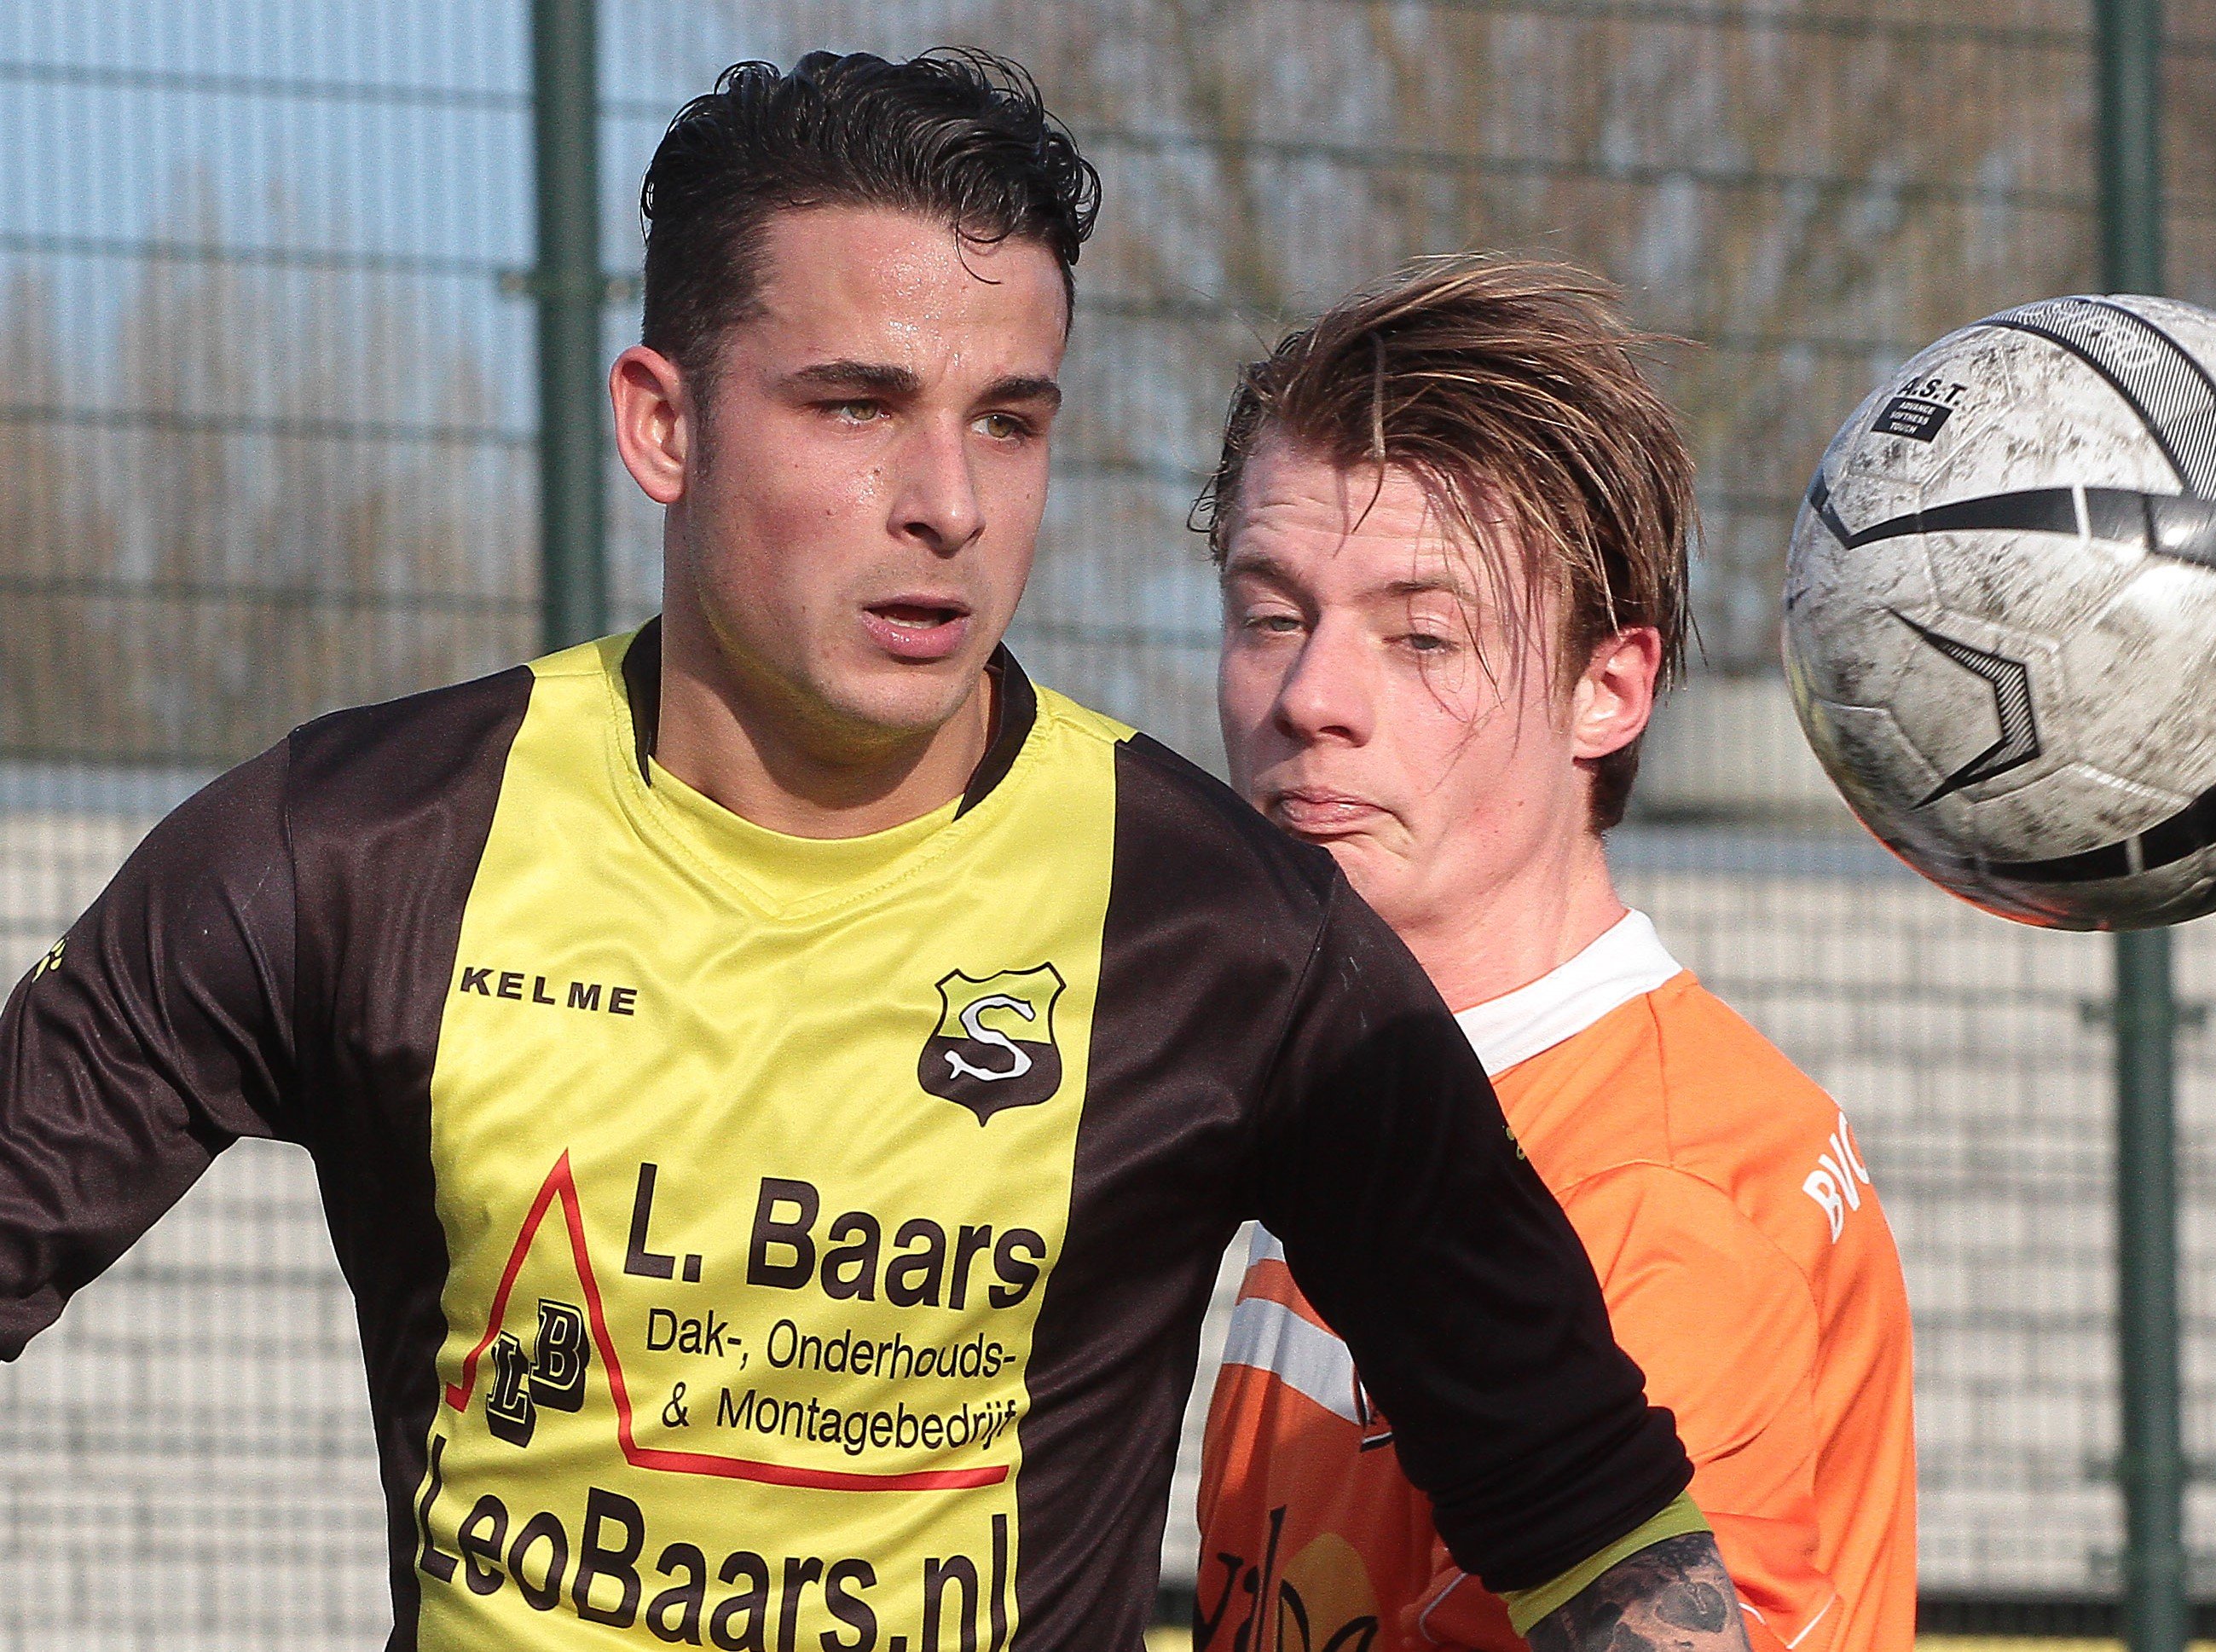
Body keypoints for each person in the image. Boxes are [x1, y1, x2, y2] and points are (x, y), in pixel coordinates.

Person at [0, 54, 1750, 1652]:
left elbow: (1598, 1529)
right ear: (661, 423)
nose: (950, 502)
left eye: (1008, 418)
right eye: (855, 406)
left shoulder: (1233, 942)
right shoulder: (351, 853)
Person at [1195, 256, 1916, 1652]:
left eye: (1423, 635)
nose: (1311, 698)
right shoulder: (1378, 1087)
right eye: (1271, 612)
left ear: (1611, 688)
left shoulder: (1650, 1203)